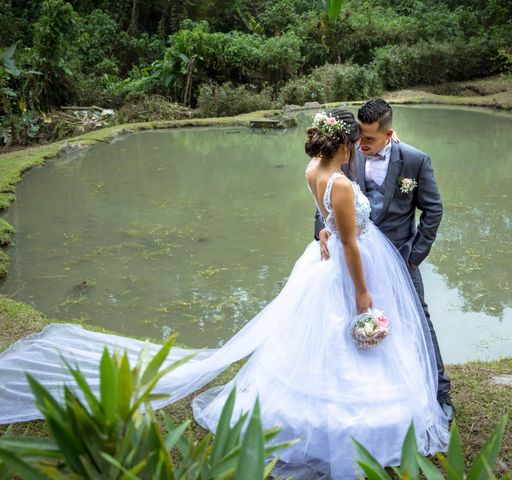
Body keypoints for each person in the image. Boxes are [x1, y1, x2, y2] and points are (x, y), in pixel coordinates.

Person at [0, 109, 449, 479]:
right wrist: (364, 293)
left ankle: (309, 410)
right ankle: (360, 422)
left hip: (320, 263)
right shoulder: (345, 184)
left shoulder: (313, 169)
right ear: (347, 145)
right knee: (350, 334)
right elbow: (351, 241)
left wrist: (327, 231)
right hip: (351, 267)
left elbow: (329, 220)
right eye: (357, 142)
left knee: (315, 339)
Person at [315, 99, 454, 419]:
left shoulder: (415, 161)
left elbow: (433, 211)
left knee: (419, 319)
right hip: (353, 259)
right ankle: (359, 394)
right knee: (346, 319)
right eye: (358, 138)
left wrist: (415, 256)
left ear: (389, 134)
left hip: (402, 258)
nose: (360, 145)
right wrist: (323, 230)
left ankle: (440, 391)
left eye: (369, 140)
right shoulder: (349, 154)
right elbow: (328, 195)